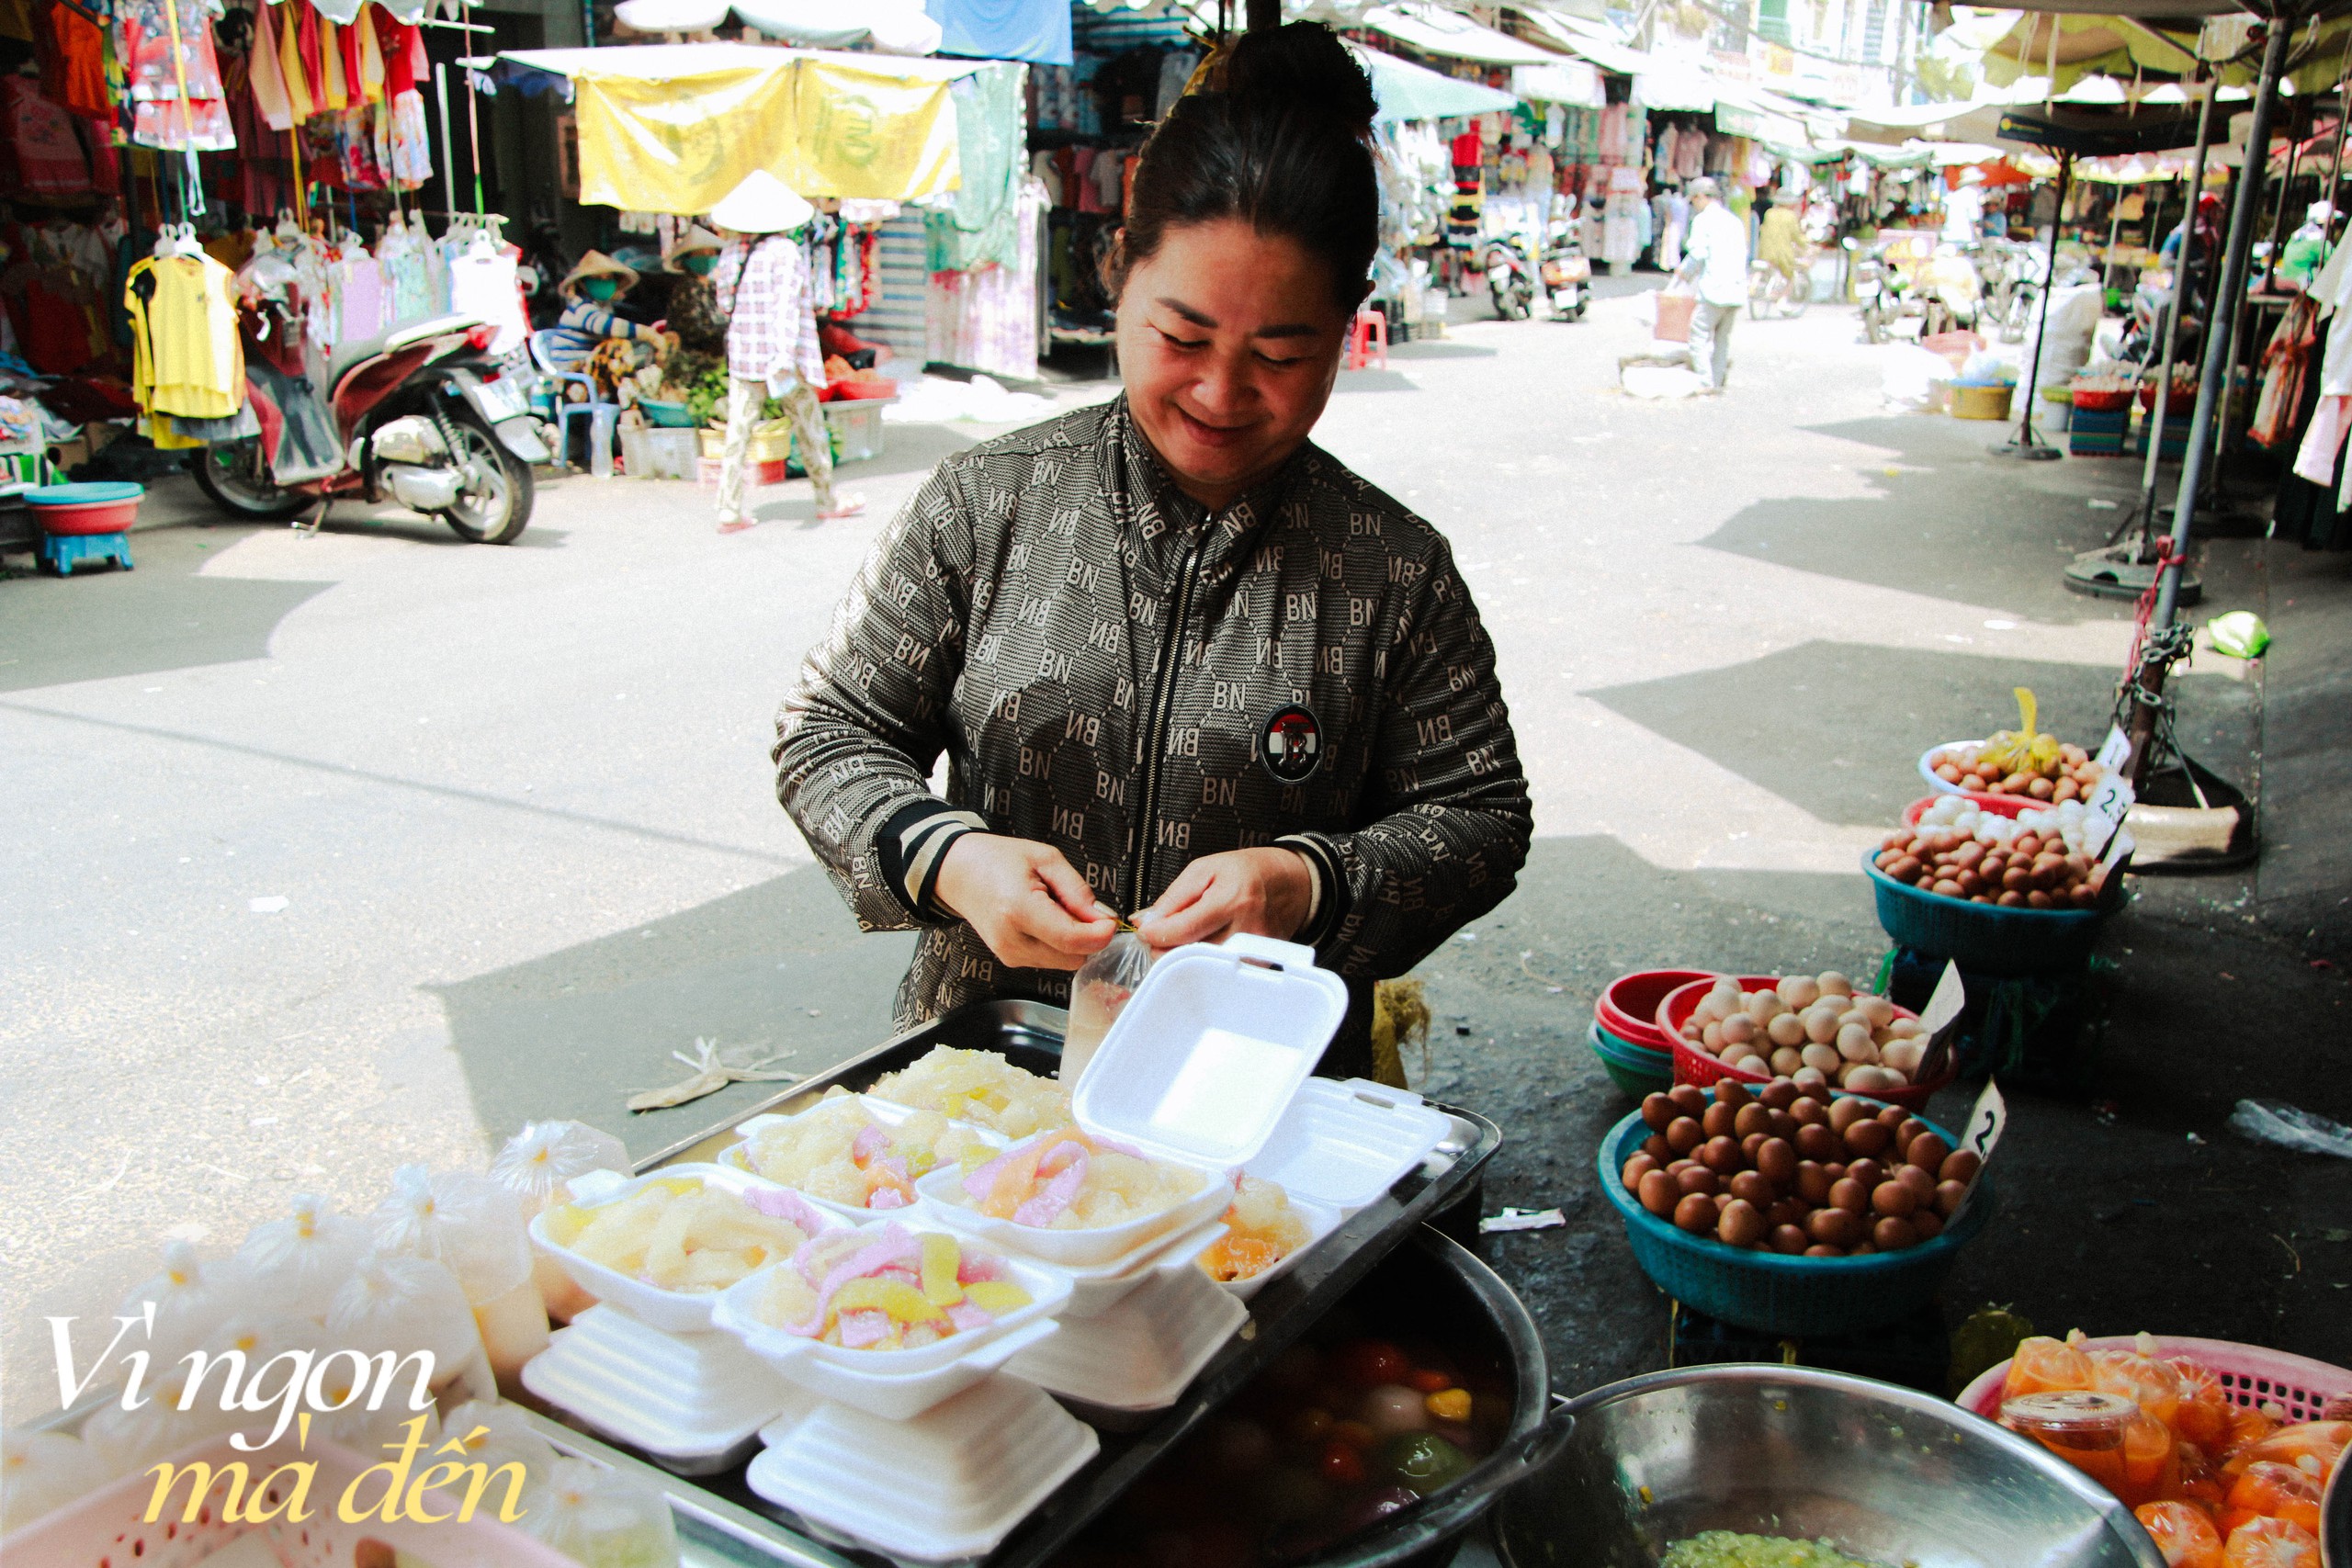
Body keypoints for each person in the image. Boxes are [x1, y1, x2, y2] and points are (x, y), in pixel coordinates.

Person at [772, 23, 1532, 1077]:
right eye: (1181, 338)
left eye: (1279, 354)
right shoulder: (987, 502)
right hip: (990, 1076)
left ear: (1348, 327)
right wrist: (948, 858)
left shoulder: (1391, 569)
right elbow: (830, 732)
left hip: (1258, 1095)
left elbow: (1480, 819)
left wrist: (1305, 880)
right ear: (1117, 275)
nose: (1220, 395)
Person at [707, 171, 864, 531]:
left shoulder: (732, 253)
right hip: (784, 361)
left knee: (738, 431)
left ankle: (728, 509)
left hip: (745, 354)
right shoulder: (786, 252)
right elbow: (787, 309)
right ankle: (827, 499)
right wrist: (781, 356)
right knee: (809, 427)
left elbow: (724, 303)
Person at [1677, 176, 1747, 393]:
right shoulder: (1734, 221)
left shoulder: (1703, 221)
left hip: (1715, 288)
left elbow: (1698, 253)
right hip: (1736, 288)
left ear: (1700, 197)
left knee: (1698, 334)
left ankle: (1705, 382)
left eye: (1694, 200)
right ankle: (1716, 382)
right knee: (1722, 340)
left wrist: (1683, 273)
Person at [662, 222, 729, 358]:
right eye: (700, 253)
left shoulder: (713, 286)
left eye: (711, 252)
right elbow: (694, 331)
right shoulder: (686, 289)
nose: (707, 256)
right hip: (691, 359)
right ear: (688, 259)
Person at [1757, 194, 1804, 296]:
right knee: (1791, 276)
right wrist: (1805, 244)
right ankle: (1782, 300)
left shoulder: (1769, 213)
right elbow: (1796, 236)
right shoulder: (1790, 216)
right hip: (1782, 253)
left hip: (1765, 251)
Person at [1941, 165, 1986, 245]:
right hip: (1964, 237)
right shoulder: (1972, 194)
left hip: (1949, 236)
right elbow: (1974, 218)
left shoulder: (1956, 194)